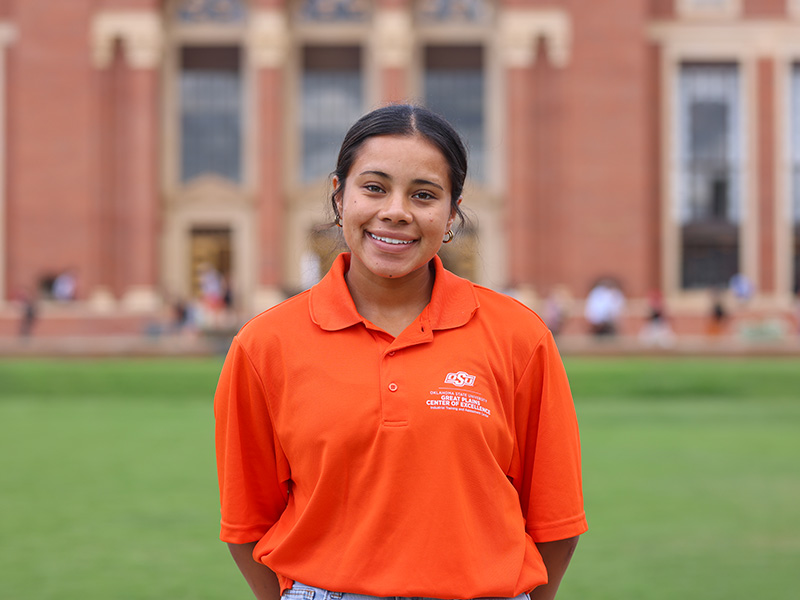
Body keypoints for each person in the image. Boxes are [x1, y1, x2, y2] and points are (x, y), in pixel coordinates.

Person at [214, 105, 587, 600]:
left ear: (452, 214)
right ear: (339, 197)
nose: (396, 210)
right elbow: (246, 523)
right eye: (374, 187)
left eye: (424, 195)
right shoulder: (264, 345)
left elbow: (556, 519)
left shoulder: (520, 336)